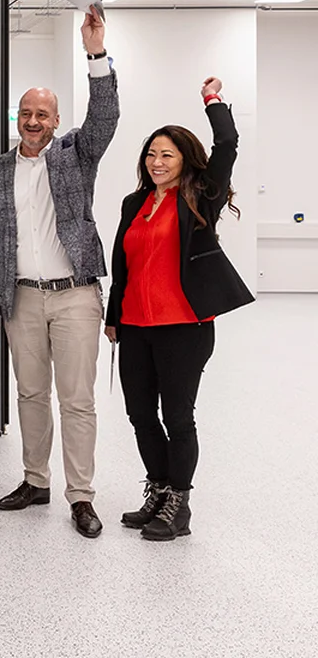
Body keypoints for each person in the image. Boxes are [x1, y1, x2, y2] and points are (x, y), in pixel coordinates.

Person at [0, 7, 116, 539]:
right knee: (30, 394)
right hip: (22, 299)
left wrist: (96, 54)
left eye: (42, 114)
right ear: (17, 118)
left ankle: (81, 495)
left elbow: (105, 117)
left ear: (56, 122)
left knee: (77, 400)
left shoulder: (76, 156)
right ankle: (35, 481)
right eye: (26, 113)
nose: (33, 122)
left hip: (76, 295)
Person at [105, 77, 253, 542]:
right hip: (135, 325)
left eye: (167, 155)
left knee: (178, 416)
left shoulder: (200, 197)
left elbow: (227, 144)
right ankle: (159, 489)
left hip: (184, 327)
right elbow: (124, 264)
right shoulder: (134, 203)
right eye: (151, 154)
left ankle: (178, 504)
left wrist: (213, 101)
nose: (157, 162)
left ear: (185, 160)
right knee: (140, 415)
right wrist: (113, 317)